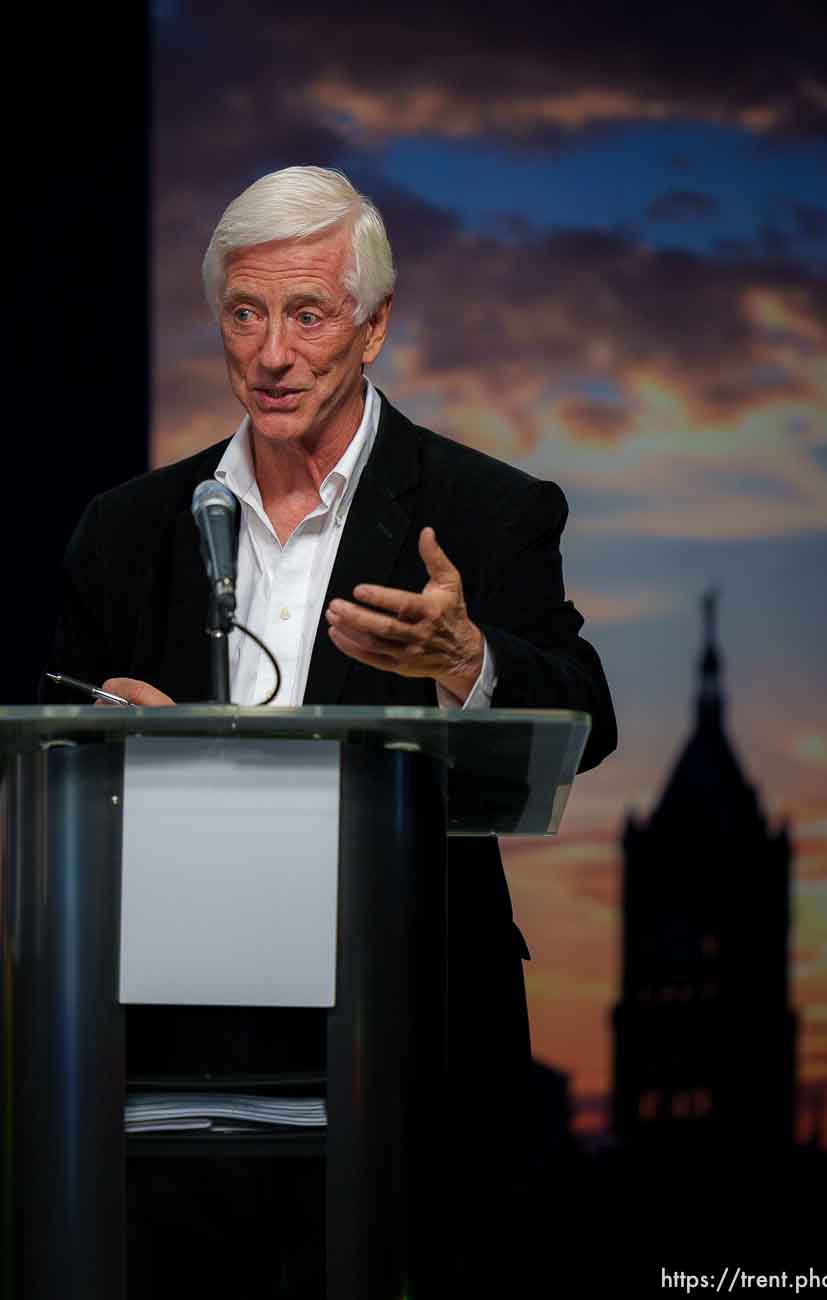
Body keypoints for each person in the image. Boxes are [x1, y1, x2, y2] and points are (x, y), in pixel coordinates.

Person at [44, 166, 617, 1296]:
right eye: (244, 314)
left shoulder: (486, 508)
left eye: (307, 315)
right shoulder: (126, 530)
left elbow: (585, 715)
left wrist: (467, 659)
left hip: (413, 1039)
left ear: (374, 327)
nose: (270, 353)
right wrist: (116, 742)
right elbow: (61, 752)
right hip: (178, 1047)